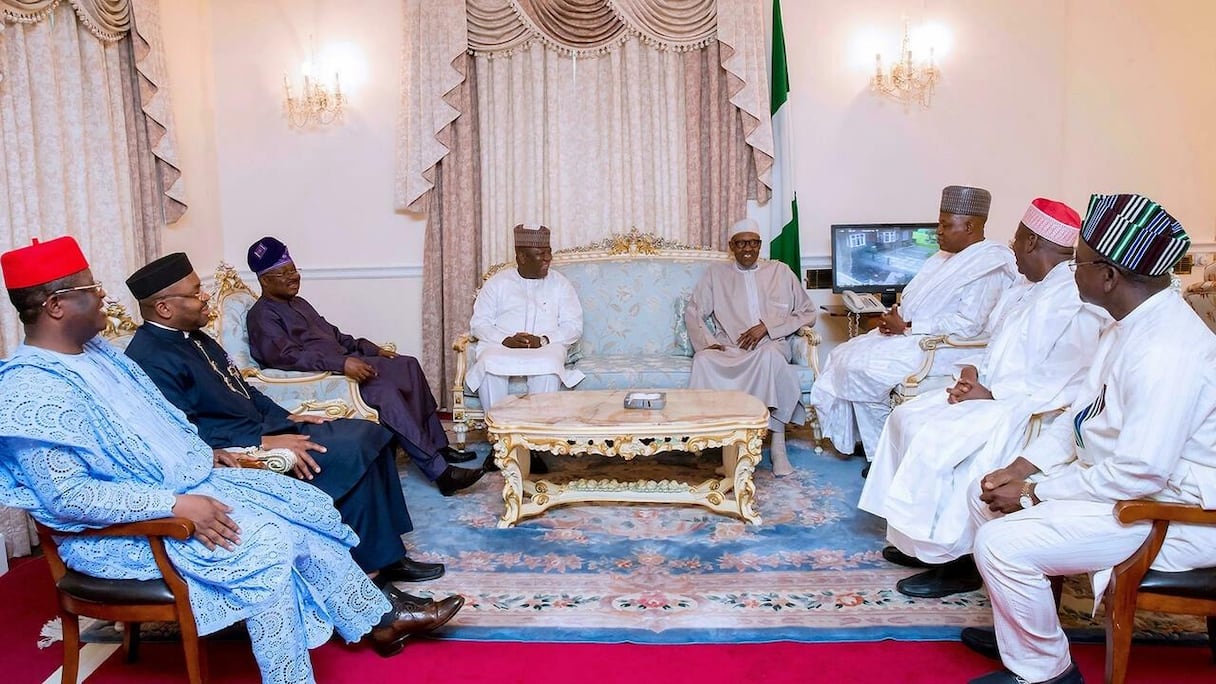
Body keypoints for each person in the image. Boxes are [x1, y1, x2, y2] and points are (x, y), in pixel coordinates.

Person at [0, 237, 464, 684]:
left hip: (196, 484)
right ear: (55, 305)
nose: (105, 299)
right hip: (131, 533)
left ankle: (378, 617)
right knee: (271, 542)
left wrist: (216, 458)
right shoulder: (31, 389)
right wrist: (177, 505)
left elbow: (169, 428)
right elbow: (69, 497)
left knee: (306, 512)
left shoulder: (98, 356)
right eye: (92, 291)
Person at [963, 194, 1216, 684]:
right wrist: (1022, 468)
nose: (1069, 272)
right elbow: (1081, 416)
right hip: (1123, 487)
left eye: (1076, 261)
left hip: (1173, 512)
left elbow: (1141, 471)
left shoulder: (1167, 348)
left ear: (1108, 276)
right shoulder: (1127, 326)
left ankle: (1046, 674)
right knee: (988, 497)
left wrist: (1036, 493)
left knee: (1001, 543)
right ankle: (1022, 630)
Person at [124, 253, 445, 584]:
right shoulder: (150, 357)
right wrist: (260, 442)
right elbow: (180, 432)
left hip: (266, 426)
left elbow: (243, 388)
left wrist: (289, 414)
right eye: (196, 293)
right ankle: (368, 567)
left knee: (369, 433)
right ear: (164, 308)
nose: (205, 297)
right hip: (241, 447)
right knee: (349, 449)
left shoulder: (197, 337)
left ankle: (387, 554)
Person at [858, 198, 1104, 599]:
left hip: (1028, 410)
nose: (1010, 246)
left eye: (1017, 239)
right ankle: (922, 545)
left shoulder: (1072, 297)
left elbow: (1068, 378)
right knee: (907, 418)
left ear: (1032, 243)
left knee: (937, 438)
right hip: (992, 392)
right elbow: (995, 346)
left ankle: (958, 562)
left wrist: (991, 394)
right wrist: (971, 374)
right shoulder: (1025, 288)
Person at [243, 236, 484, 496]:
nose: (293, 277)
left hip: (342, 362)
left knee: (407, 365)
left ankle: (437, 446)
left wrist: (371, 349)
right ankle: (440, 472)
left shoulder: (298, 303)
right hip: (325, 377)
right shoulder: (262, 316)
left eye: (294, 270)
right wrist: (342, 363)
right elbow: (287, 358)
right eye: (284, 273)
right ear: (265, 280)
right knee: (384, 390)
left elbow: (335, 336)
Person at [808, 185, 1018, 465]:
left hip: (947, 348)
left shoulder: (987, 266)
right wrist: (895, 321)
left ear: (969, 226)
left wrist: (907, 325)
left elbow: (967, 325)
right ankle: (870, 443)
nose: (938, 232)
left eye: (945, 225)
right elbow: (916, 301)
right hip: (915, 335)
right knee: (845, 355)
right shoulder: (943, 257)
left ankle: (883, 457)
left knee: (865, 369)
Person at [684, 217, 818, 476]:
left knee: (771, 359)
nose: (748, 248)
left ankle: (778, 448)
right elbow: (694, 311)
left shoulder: (780, 271)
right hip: (732, 347)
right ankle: (727, 449)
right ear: (731, 246)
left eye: (753, 243)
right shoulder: (716, 274)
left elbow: (807, 312)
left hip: (771, 344)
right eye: (742, 243)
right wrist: (708, 343)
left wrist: (768, 327)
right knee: (703, 360)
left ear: (760, 245)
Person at [466, 223, 584, 411]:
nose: (548, 259)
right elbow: (479, 323)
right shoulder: (498, 283)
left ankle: (538, 432)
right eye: (540, 254)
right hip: (500, 346)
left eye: (549, 252)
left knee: (548, 366)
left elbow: (573, 325)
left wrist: (544, 340)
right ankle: (499, 431)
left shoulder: (560, 284)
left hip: (545, 347)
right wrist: (505, 340)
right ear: (521, 257)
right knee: (488, 366)